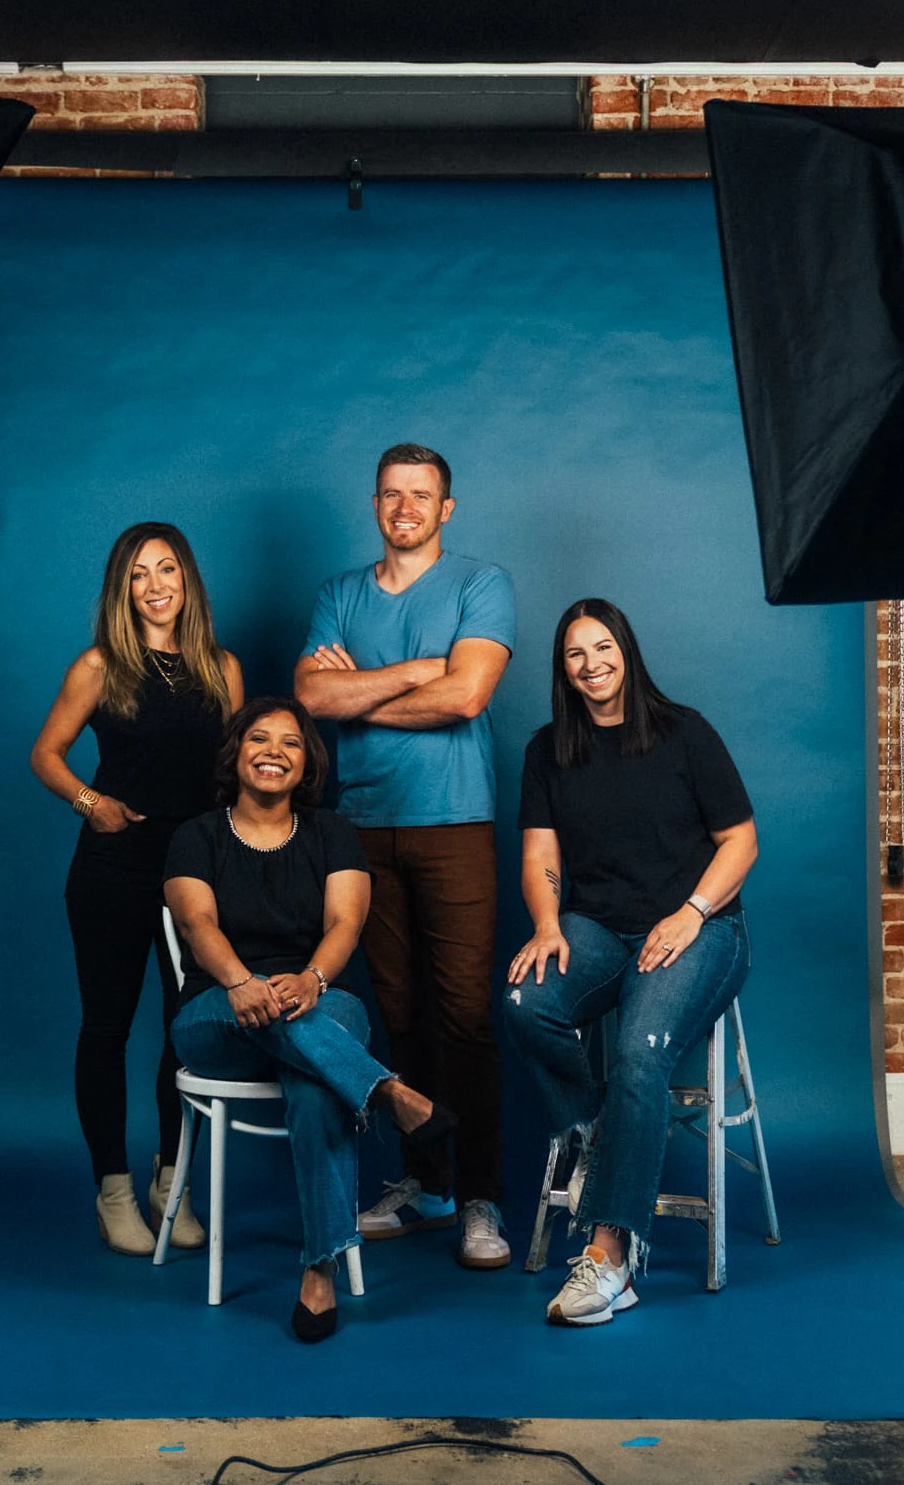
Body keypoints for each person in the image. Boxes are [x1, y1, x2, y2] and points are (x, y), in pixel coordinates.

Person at [163, 697, 452, 1342]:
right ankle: (388, 1090)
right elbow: (196, 922)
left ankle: (317, 1273)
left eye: (291, 744)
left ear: (307, 763)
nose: (273, 752)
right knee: (301, 1035)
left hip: (320, 1001)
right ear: (236, 754)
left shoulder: (331, 834)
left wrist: (314, 979)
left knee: (316, 1083)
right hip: (218, 1015)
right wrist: (242, 981)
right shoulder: (197, 835)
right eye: (259, 739)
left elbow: (345, 923)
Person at [503, 598, 757, 1327]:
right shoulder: (548, 749)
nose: (592, 664)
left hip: (701, 926)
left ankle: (610, 1261)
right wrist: (548, 925)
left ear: (627, 650)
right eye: (576, 654)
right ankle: (592, 1136)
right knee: (525, 1002)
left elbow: (741, 840)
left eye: (603, 647)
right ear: (564, 669)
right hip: (600, 930)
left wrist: (691, 912)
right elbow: (540, 853)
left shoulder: (684, 732)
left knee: (642, 1055)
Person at [294, 443, 516, 1270]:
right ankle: (429, 1186)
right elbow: (312, 697)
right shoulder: (339, 595)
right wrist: (416, 671)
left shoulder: (480, 584)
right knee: (399, 1014)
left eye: (421, 496)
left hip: (454, 821)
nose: (405, 507)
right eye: (391, 494)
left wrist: (366, 694)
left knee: (462, 1014)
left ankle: (483, 1198)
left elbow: (468, 695)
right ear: (375, 503)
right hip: (360, 831)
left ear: (445, 509)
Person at [31, 523, 242, 1256]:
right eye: (139, 575)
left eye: (168, 571)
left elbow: (232, 776)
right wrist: (94, 804)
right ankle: (113, 1190)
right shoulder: (101, 665)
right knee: (108, 1029)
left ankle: (169, 1181)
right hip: (113, 869)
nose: (155, 586)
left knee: (185, 1034)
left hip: (194, 875)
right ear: (123, 588)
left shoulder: (222, 668)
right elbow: (46, 754)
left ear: (189, 582)